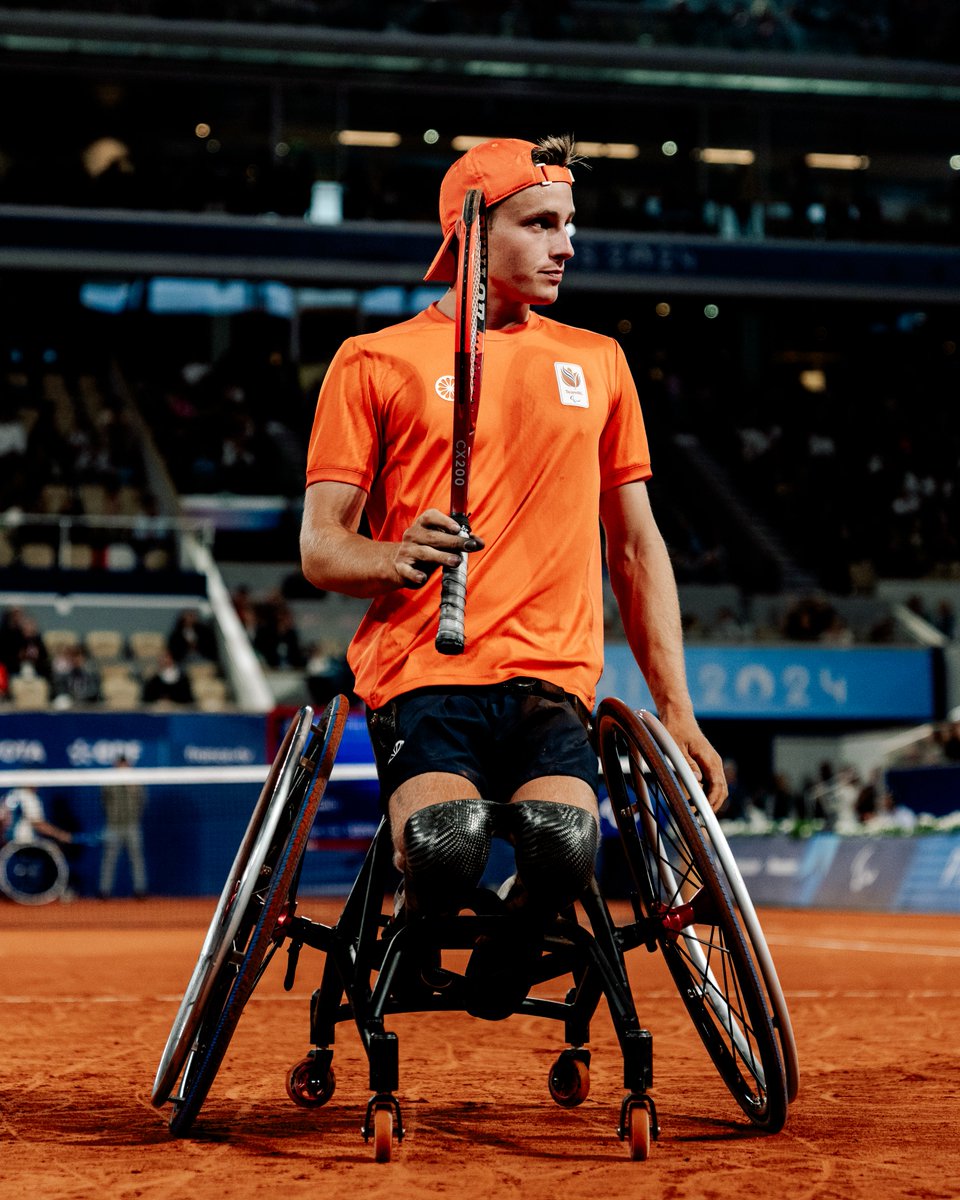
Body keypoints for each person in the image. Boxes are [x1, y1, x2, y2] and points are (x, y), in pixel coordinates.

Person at [299, 136, 725, 1015]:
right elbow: (321, 549)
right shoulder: (373, 360)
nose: (566, 245)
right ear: (470, 232)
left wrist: (677, 711)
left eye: (569, 225)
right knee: (449, 845)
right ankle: (414, 940)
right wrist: (393, 555)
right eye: (540, 224)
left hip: (551, 680)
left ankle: (504, 949)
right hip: (425, 671)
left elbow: (639, 550)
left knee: (566, 848)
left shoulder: (601, 361)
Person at [98, 755, 148, 898]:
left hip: (132, 825)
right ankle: (104, 891)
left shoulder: (136, 781)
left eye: (125, 765)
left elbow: (142, 801)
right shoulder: (109, 781)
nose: (122, 768)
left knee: (137, 859)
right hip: (113, 826)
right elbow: (104, 801)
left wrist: (131, 785)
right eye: (120, 765)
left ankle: (140, 890)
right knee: (109, 859)